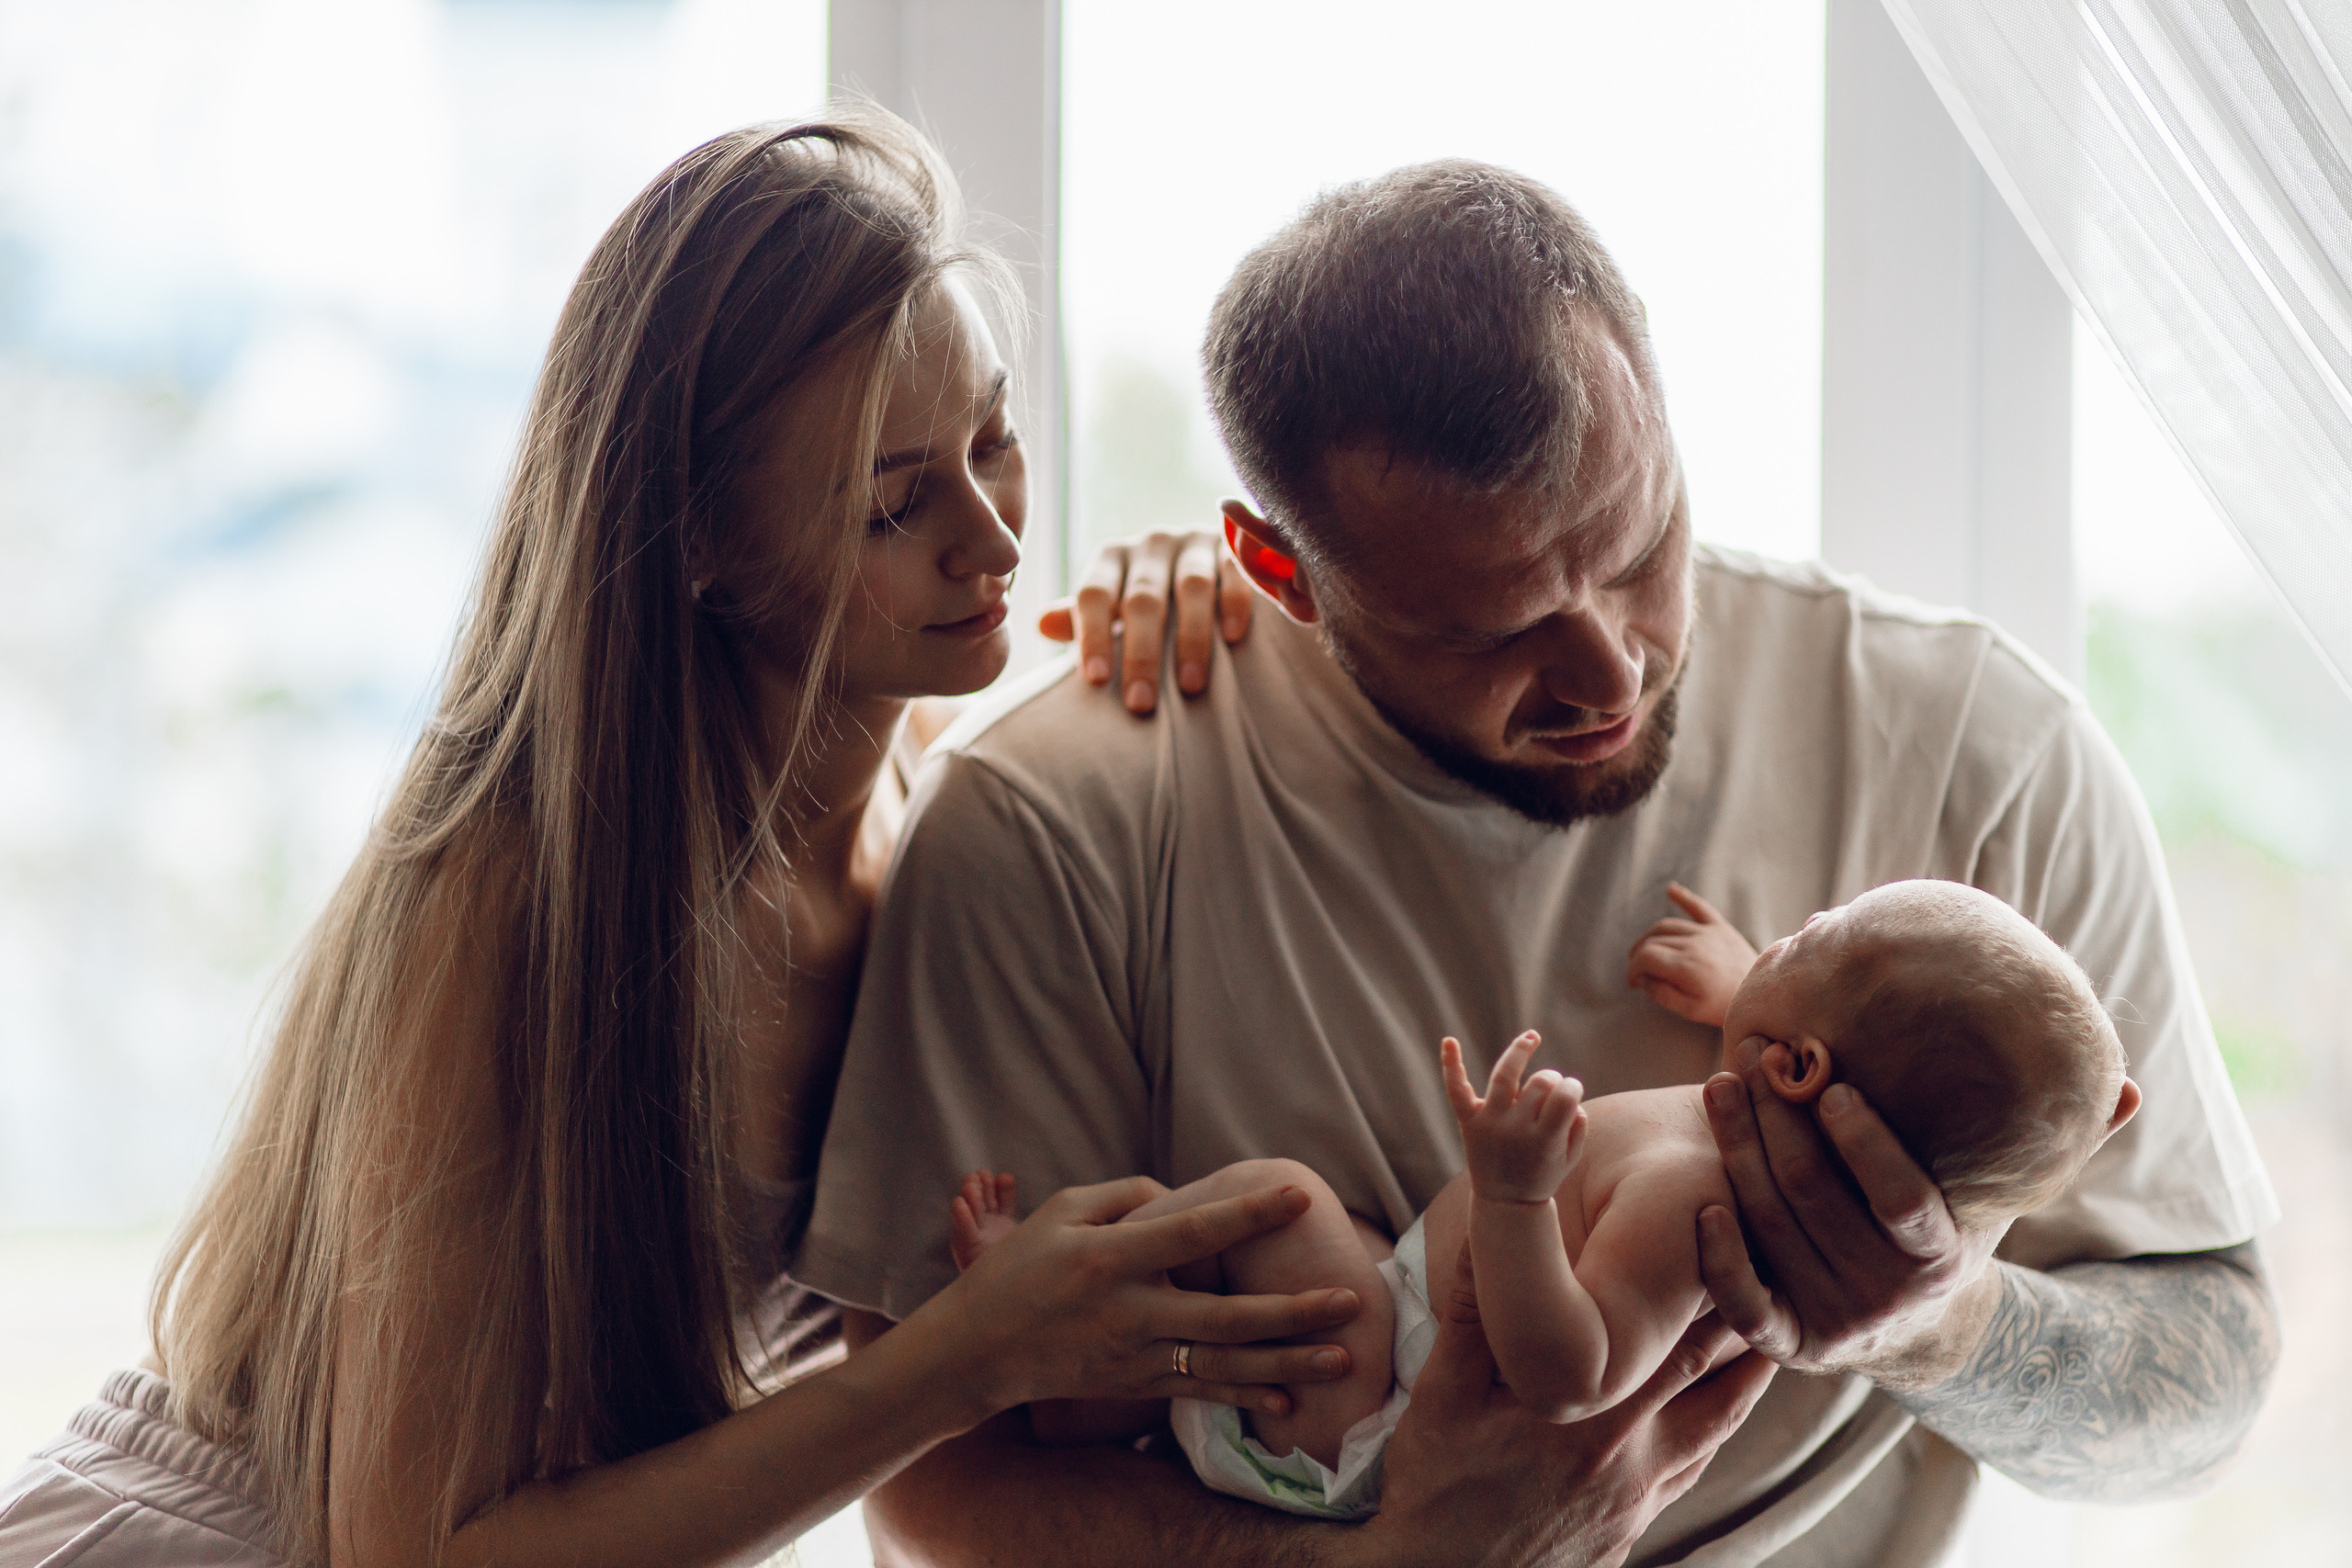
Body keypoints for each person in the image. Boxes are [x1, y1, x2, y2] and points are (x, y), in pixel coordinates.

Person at [797, 159, 2283, 1566]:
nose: (1608, 675)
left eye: (1637, 548)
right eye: (1487, 632)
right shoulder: (1056, 823)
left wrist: (1940, 1324)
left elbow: (2205, 1398)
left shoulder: (1977, 746)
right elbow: (932, 1486)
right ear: (1275, 570)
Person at [0, 111, 1364, 1567]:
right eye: (895, 504)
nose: (992, 539)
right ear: (701, 545)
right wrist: (961, 1364)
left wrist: (1160, 589)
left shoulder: (938, 822)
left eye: (996, 438)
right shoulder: (512, 898)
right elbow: (403, 1553)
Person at [950, 880, 2145, 1522]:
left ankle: (1073, 1385)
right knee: (1322, 1246)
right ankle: (1117, 1393)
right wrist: (1755, 985)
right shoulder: (1758, 1109)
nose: (1785, 933)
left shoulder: (1691, 1196)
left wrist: (1515, 1197)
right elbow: (1792, 1050)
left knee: (1280, 1202)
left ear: (1796, 1068)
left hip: (1390, 1440)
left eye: (1806, 933)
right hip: (1391, 1351)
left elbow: (1572, 1370)